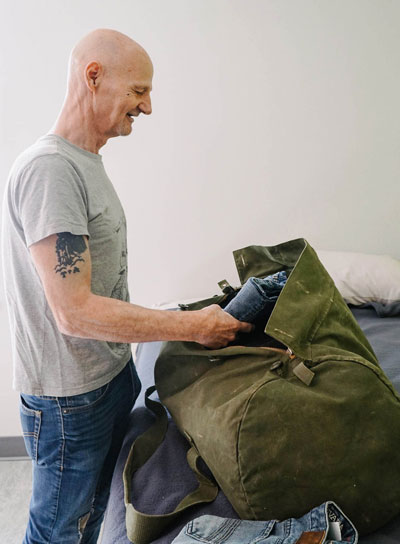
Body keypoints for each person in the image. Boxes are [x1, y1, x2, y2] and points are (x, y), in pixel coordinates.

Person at [1, 28, 252, 544]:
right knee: (58, 533)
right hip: (71, 403)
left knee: (91, 520)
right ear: (94, 76)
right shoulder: (51, 170)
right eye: (139, 90)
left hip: (107, 381)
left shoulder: (85, 164)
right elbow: (75, 312)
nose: (149, 106)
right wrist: (191, 326)